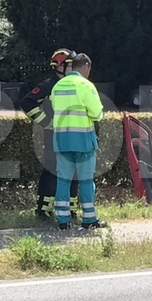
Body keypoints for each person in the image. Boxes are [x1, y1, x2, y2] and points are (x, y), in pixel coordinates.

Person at [49, 52, 105, 230]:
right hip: (83, 140)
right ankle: (89, 219)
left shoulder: (58, 86)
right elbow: (97, 113)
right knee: (86, 181)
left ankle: (62, 221)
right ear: (86, 66)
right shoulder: (85, 85)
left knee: (63, 180)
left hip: (61, 140)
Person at [20, 48, 76, 219]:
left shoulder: (74, 84)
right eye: (70, 64)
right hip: (53, 135)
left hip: (73, 134)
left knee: (74, 170)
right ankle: (43, 209)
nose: (73, 68)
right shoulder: (48, 86)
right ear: (60, 66)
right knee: (52, 171)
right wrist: (46, 123)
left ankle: (71, 209)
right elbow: (27, 102)